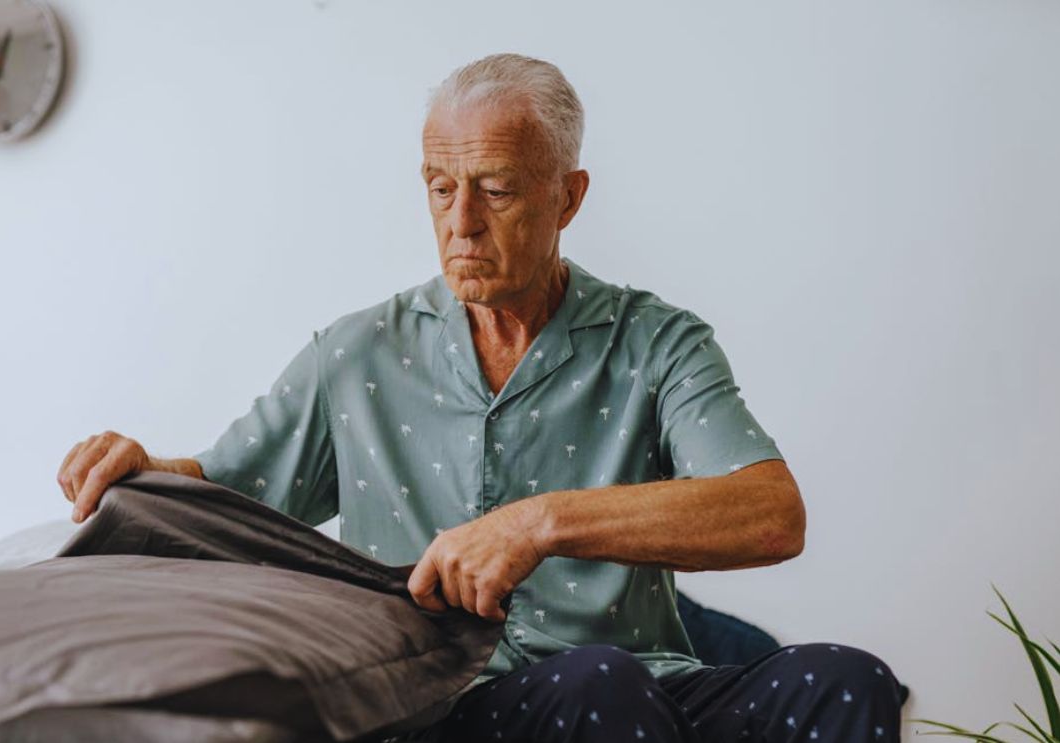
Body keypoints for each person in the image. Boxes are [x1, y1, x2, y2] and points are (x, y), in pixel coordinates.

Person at [57, 52, 903, 742]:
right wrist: (146, 468)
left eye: (494, 190)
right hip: (445, 704)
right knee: (598, 684)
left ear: (567, 197)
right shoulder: (354, 355)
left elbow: (770, 515)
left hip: (643, 683)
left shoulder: (656, 342)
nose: (460, 222)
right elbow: (222, 499)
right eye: (439, 187)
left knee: (844, 680)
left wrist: (541, 523)